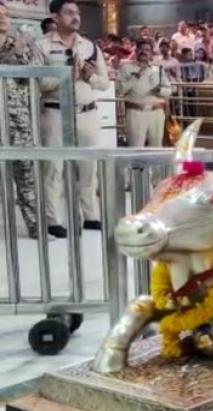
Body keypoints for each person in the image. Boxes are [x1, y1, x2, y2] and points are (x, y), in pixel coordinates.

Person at [33, 0, 110, 238]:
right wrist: (65, 75)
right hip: (55, 113)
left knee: (89, 168)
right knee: (53, 168)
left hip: (86, 113)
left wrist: (90, 77)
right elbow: (37, 83)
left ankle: (91, 215)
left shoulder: (89, 46)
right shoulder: (41, 46)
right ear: (56, 17)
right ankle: (52, 219)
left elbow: (105, 83)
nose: (75, 17)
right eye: (69, 13)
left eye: (77, 12)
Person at [0, 0, 38, 238]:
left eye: (5, 14)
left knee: (26, 174)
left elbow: (33, 74)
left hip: (18, 120)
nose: (2, 18)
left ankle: (35, 225)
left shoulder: (21, 43)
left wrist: (19, 53)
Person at [118, 39, 171, 149]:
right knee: (136, 148)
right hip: (136, 113)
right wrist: (136, 76)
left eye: (147, 50)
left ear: (151, 53)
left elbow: (169, 90)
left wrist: (159, 91)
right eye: (141, 49)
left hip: (156, 113)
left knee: (156, 148)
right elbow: (120, 90)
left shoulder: (158, 70)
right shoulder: (126, 68)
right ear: (136, 51)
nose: (144, 52)